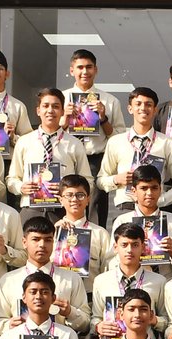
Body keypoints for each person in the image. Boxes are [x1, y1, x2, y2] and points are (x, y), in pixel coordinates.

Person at [98, 87, 172, 216]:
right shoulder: (116, 142)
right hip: (126, 208)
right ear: (130, 109)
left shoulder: (167, 143)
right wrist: (116, 179)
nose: (143, 108)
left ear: (155, 110)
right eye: (138, 104)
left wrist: (159, 200)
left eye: (148, 104)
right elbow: (100, 180)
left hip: (156, 210)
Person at [0, 216, 91, 335]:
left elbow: (86, 324)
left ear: (54, 242)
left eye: (48, 240)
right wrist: (9, 325)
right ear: (24, 242)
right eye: (35, 239)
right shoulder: (8, 281)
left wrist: (70, 312)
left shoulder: (71, 279)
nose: (42, 245)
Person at [62, 48, 126, 225]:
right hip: (68, 158)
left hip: (95, 160)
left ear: (95, 70)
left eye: (89, 67)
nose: (85, 72)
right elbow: (51, 133)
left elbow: (119, 139)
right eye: (80, 67)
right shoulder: (61, 99)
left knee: (95, 208)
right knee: (67, 203)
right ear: (72, 70)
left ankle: (96, 241)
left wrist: (103, 118)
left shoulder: (110, 101)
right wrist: (65, 119)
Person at [8, 88, 91, 221]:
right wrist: (21, 187)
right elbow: (11, 179)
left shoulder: (74, 143)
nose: (50, 110)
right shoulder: (24, 142)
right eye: (45, 106)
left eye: (56, 106)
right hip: (31, 209)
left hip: (63, 211)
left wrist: (67, 190)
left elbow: (88, 180)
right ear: (38, 111)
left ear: (62, 111)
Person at [108, 165, 172, 277]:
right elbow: (111, 262)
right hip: (132, 282)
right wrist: (129, 253)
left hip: (166, 280)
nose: (149, 193)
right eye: (144, 188)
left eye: (154, 188)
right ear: (134, 191)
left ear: (160, 189)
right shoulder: (122, 221)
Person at [53, 174, 112, 282]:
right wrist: (54, 234)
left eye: (80, 195)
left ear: (88, 199)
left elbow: (107, 270)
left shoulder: (100, 233)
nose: (74, 199)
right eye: (69, 195)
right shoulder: (52, 232)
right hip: (58, 290)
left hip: (89, 291)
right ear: (61, 200)